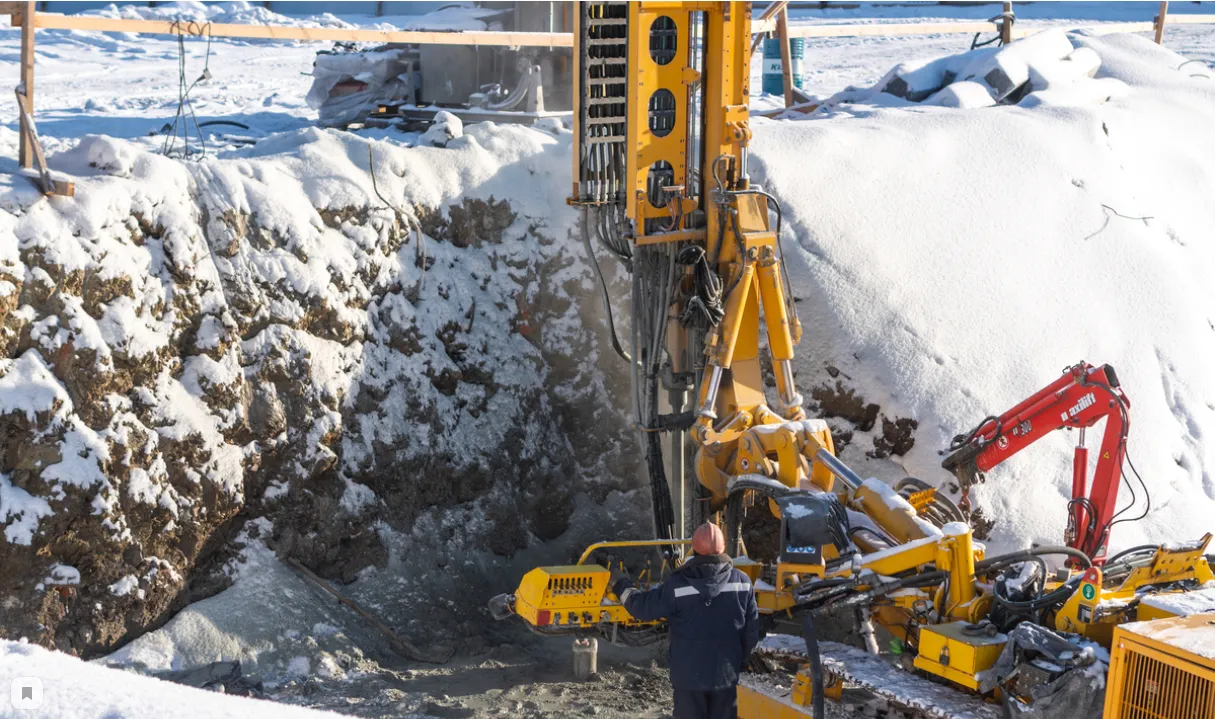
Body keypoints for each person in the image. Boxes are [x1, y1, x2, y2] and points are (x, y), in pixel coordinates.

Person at [611, 523, 760, 719]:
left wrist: (621, 585)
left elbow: (642, 609)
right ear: (723, 548)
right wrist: (740, 662)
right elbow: (752, 632)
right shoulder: (742, 583)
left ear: (695, 549)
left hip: (689, 678)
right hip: (726, 676)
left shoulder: (677, 584)